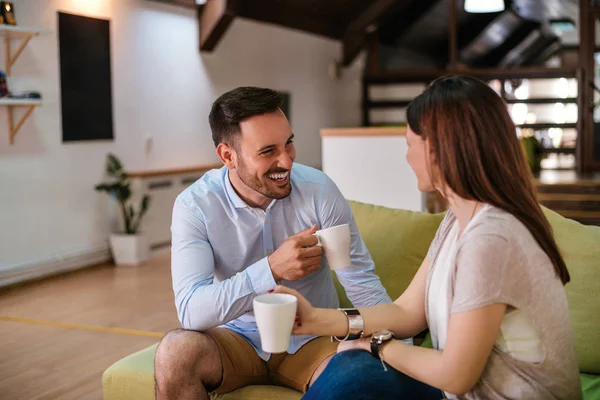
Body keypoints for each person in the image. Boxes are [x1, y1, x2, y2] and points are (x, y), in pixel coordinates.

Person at [274, 75, 583, 400]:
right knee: (351, 367)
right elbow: (407, 313)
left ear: (438, 150)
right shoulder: (459, 219)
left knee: (355, 368)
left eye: (410, 144)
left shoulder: (493, 238)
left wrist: (377, 345)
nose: (406, 157)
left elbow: (456, 375)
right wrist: (316, 320)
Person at [153, 86, 392, 400]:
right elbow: (191, 312)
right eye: (268, 151)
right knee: (175, 352)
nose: (287, 161)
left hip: (312, 341)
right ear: (228, 155)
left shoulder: (319, 191)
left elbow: (360, 282)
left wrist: (401, 351)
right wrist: (272, 268)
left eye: (289, 143)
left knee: (359, 372)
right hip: (236, 341)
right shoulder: (195, 205)